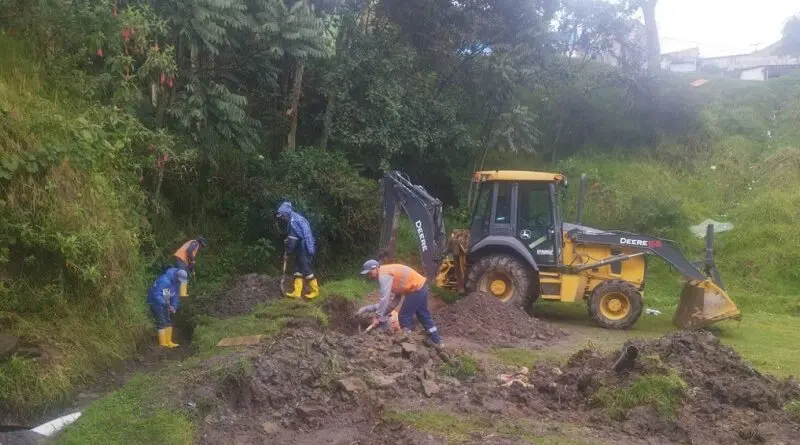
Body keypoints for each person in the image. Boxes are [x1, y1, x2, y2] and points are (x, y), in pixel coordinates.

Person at [357, 259, 444, 348]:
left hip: (415, 289)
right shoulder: (388, 274)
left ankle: (409, 345)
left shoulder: (383, 275)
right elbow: (396, 299)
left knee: (404, 316)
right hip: (421, 287)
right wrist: (383, 314)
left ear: (375, 268)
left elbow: (384, 298)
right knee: (423, 315)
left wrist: (377, 316)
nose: (369, 276)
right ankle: (437, 341)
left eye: (370, 273)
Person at [276, 201, 319, 299]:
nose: (282, 218)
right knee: (297, 270)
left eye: (282, 216)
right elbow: (293, 237)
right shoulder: (293, 218)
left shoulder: (294, 221)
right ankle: (297, 292)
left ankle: (315, 291)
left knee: (306, 269)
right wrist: (288, 240)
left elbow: (293, 239)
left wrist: (287, 252)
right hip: (300, 248)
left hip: (304, 247)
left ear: (286, 213)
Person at [147, 267, 188, 348]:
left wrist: (173, 307)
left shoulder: (176, 282)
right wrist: (166, 304)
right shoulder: (164, 281)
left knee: (168, 321)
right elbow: (156, 295)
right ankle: (163, 344)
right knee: (162, 322)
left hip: (165, 300)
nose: (181, 282)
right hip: (155, 302)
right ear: (176, 276)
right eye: (180, 280)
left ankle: (169, 342)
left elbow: (175, 296)